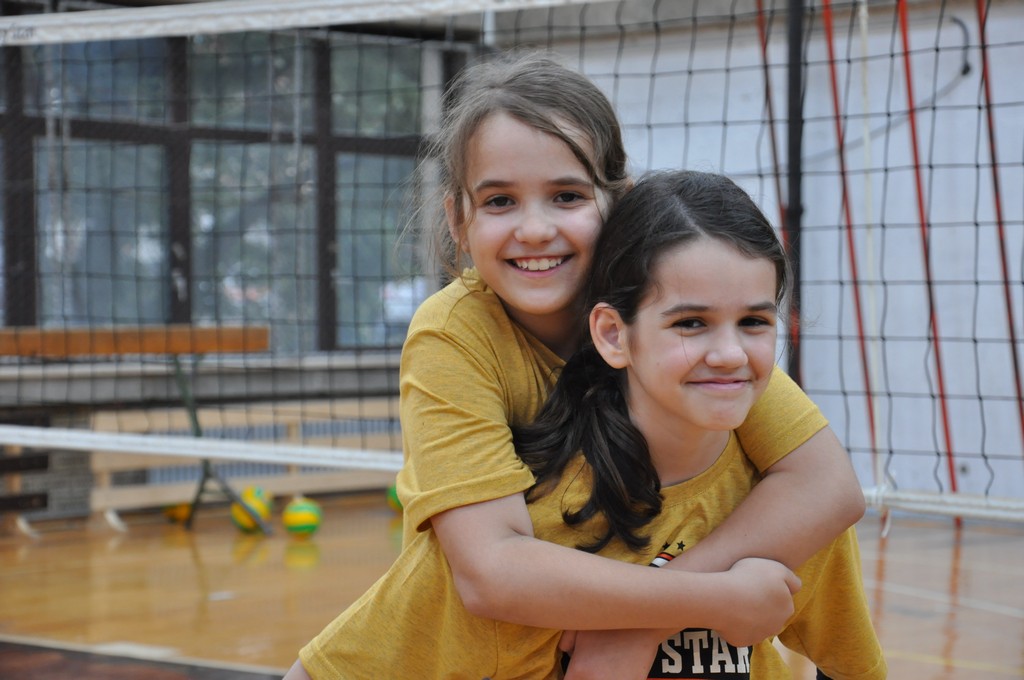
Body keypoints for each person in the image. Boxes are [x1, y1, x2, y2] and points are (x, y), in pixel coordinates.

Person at [285, 53, 865, 679]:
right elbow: (492, 572)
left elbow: (827, 486)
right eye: (500, 200)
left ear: (619, 203)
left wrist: (642, 628)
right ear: (458, 220)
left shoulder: (664, 318)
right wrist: (710, 599)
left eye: (567, 196)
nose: (535, 229)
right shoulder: (455, 332)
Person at [514, 169, 886, 678]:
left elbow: (853, 667)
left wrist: (638, 628)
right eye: (691, 323)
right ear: (614, 335)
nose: (731, 354)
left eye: (754, 322)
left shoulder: (795, 516)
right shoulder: (544, 519)